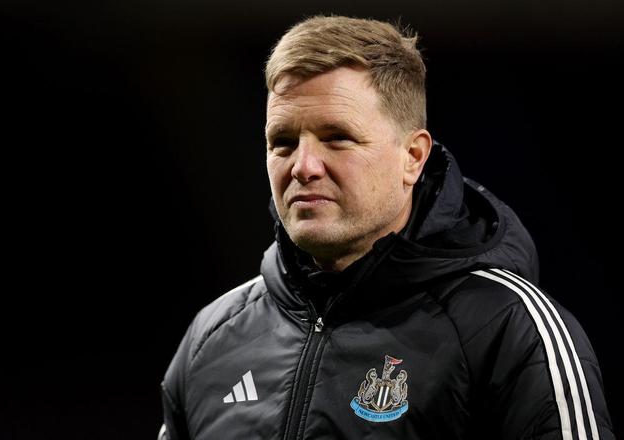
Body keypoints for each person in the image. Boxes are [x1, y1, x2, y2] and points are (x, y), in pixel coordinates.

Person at [158, 15, 615, 440]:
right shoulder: (210, 340)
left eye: (337, 138)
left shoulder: (509, 328)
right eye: (283, 142)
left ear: (413, 158)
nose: (303, 166)